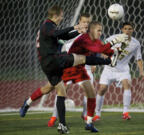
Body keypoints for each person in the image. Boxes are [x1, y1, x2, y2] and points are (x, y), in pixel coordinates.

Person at [19, 5, 125, 133]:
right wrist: (74, 27)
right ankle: (109, 62)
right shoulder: (47, 25)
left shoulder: (49, 27)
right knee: (82, 59)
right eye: (61, 15)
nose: (62, 17)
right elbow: (58, 34)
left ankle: (59, 123)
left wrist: (77, 31)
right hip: (55, 60)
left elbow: (62, 36)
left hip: (49, 64)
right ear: (56, 15)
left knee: (59, 91)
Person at [49, 21, 129, 133]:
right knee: (59, 93)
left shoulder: (94, 40)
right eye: (98, 30)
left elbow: (104, 50)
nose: (100, 33)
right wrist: (114, 42)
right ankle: (58, 120)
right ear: (91, 30)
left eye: (101, 30)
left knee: (91, 94)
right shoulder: (85, 39)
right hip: (70, 68)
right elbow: (100, 50)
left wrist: (116, 52)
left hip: (80, 68)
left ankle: (89, 123)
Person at [90, 22, 144, 122]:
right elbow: (101, 47)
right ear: (122, 29)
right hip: (109, 69)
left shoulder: (135, 43)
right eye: (125, 29)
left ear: (133, 30)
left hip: (123, 70)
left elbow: (139, 58)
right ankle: (97, 114)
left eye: (130, 29)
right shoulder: (113, 38)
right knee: (102, 89)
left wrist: (141, 72)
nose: (127, 31)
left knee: (126, 84)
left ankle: (125, 112)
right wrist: (104, 54)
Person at [47, 13, 95, 127]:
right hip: (70, 66)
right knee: (62, 90)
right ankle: (54, 116)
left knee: (89, 91)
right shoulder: (72, 33)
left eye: (88, 22)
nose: (86, 24)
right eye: (84, 22)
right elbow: (59, 42)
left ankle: (85, 115)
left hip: (85, 67)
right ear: (79, 21)